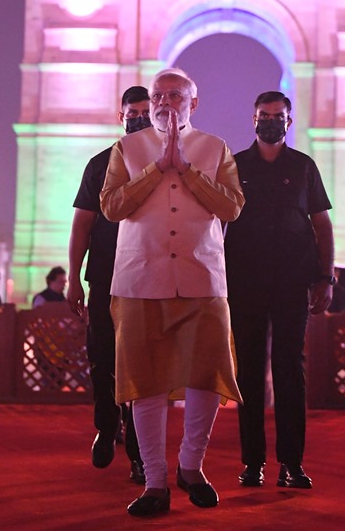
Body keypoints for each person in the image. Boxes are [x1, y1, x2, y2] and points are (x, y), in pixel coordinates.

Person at [100, 68, 244, 518]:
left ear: (193, 103)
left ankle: (192, 466)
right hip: (139, 280)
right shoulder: (126, 149)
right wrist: (157, 168)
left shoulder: (215, 148)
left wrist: (186, 170)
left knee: (206, 376)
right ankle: (155, 481)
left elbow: (232, 207)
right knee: (144, 382)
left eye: (175, 95)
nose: (165, 102)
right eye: (158, 95)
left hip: (202, 278)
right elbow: (111, 207)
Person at [224, 90, 335, 491]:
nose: (270, 121)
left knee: (290, 371)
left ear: (290, 121)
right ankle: (252, 463)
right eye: (263, 115)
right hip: (245, 281)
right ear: (253, 119)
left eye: (277, 116)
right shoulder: (234, 166)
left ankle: (292, 464)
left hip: (292, 281)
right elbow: (216, 224)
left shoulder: (304, 167)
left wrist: (326, 277)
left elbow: (322, 225)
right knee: (249, 372)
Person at [67, 86, 150, 482]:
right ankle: (106, 425)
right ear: (121, 117)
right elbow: (82, 223)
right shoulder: (100, 164)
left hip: (149, 279)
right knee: (101, 356)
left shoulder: (172, 166)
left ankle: (139, 450)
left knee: (143, 365)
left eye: (145, 113)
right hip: (104, 275)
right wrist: (73, 277)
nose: (139, 120)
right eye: (133, 114)